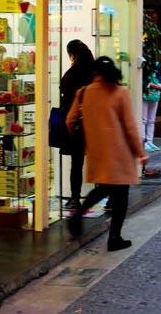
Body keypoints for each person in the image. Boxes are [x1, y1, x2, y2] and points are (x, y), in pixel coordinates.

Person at [66, 57, 149, 251]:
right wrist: (140, 153)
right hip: (120, 153)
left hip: (96, 151)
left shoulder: (83, 92)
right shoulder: (120, 92)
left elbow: (70, 121)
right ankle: (114, 238)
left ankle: (78, 215)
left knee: (103, 188)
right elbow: (129, 127)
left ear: (94, 72)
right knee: (120, 196)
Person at [59, 40, 95, 209]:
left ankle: (75, 197)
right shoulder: (94, 72)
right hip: (95, 123)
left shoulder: (71, 74)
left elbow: (66, 99)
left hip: (77, 124)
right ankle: (109, 197)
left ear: (72, 55)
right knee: (100, 161)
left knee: (76, 163)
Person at [141, 48, 161, 152]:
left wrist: (159, 85)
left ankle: (149, 141)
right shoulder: (145, 66)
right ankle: (144, 142)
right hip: (146, 95)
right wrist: (157, 86)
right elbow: (144, 82)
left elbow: (160, 79)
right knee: (145, 119)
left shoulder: (157, 66)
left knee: (150, 120)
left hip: (154, 95)